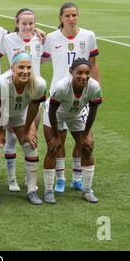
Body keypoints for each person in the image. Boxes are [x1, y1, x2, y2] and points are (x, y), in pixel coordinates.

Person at [41, 2, 101, 194]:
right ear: (61, 18)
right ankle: (60, 179)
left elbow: (93, 62)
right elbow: (40, 57)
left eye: (74, 15)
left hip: (81, 95)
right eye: (67, 15)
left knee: (82, 140)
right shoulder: (51, 38)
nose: (71, 18)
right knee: (59, 140)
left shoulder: (88, 36)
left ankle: (77, 178)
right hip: (59, 95)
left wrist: (97, 86)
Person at [0, 52, 46, 205]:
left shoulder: (39, 84)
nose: (25, 71)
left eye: (28, 67)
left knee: (30, 144)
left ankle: (32, 190)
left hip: (20, 112)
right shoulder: (1, 83)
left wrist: (27, 129)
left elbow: (34, 107)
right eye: (21, 67)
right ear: (12, 68)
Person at [42, 59, 102, 204]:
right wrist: (56, 136)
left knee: (87, 147)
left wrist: (87, 134)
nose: (84, 76)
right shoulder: (61, 87)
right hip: (56, 114)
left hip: (77, 113)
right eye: (79, 73)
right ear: (71, 72)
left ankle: (87, 190)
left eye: (87, 73)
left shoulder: (93, 86)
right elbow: (52, 111)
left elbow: (93, 111)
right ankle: (49, 191)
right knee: (53, 147)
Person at [0, 8, 44, 193]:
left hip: (34, 94)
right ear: (16, 23)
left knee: (30, 138)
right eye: (24, 23)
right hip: (13, 94)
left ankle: (29, 178)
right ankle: (11, 179)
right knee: (11, 138)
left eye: (31, 23)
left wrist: (38, 31)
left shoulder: (41, 40)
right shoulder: (7, 39)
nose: (27, 26)